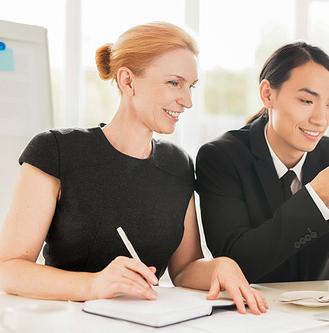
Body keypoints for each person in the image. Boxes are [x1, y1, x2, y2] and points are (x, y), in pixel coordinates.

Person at [0, 22, 267, 315]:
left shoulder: (178, 163)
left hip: (149, 322)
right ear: (128, 81)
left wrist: (221, 266)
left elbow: (184, 269)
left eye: (190, 86)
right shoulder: (56, 150)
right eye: (174, 83)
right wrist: (95, 284)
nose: (187, 101)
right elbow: (10, 269)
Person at [196, 42, 329, 297]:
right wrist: (316, 196)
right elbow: (236, 261)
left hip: (320, 313)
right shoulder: (221, 157)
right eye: (306, 100)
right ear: (268, 94)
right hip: (248, 310)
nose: (320, 119)